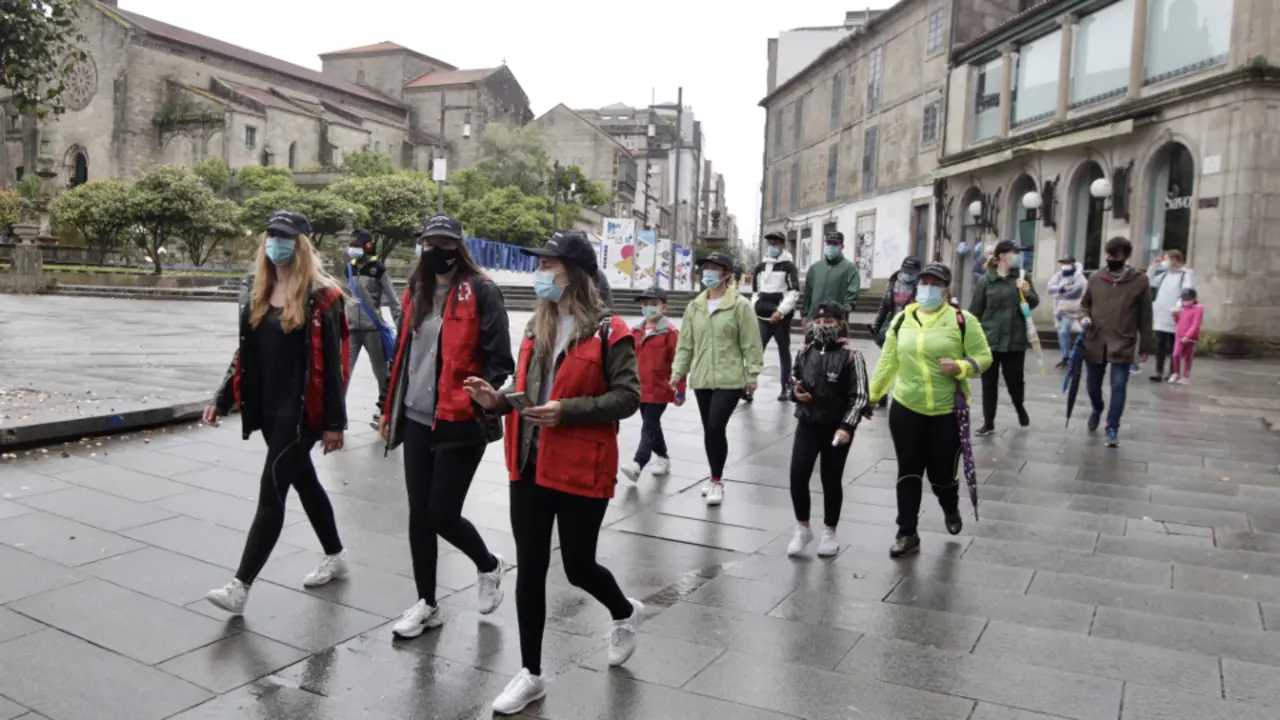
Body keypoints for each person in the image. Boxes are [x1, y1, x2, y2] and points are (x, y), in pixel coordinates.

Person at [462, 229, 643, 716]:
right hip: (528, 463)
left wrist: (569, 409)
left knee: (580, 565)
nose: (541, 273)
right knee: (532, 567)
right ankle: (530, 673)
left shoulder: (611, 330)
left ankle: (624, 611)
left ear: (575, 274)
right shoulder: (533, 327)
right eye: (540, 265)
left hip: (580, 464)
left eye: (549, 265)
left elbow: (628, 397)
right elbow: (525, 390)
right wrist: (495, 400)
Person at [203, 210, 351, 614]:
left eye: (284, 237)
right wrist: (221, 397)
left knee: (273, 492)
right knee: (303, 480)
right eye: (270, 236)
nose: (275, 243)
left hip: (300, 412)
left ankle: (240, 585)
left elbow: (334, 365)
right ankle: (335, 555)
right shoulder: (257, 288)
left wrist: (334, 424)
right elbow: (245, 352)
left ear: (300, 244)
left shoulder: (323, 297)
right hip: (265, 409)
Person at [378, 215, 513, 639]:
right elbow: (401, 354)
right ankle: (427, 603)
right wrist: (388, 409)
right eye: (429, 244)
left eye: (445, 243)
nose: (437, 251)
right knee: (419, 514)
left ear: (459, 246)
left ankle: (489, 564)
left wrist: (483, 389)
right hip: (417, 417)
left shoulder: (484, 291)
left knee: (442, 513)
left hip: (460, 419)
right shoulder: (415, 292)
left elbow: (501, 360)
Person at [869, 262, 992, 558]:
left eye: (935, 283)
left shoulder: (963, 320)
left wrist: (962, 367)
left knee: (941, 476)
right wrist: (872, 396)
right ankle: (906, 532)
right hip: (907, 407)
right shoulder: (902, 319)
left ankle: (949, 506)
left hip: (946, 412)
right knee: (908, 471)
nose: (928, 288)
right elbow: (888, 361)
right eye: (924, 282)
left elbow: (984, 357)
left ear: (946, 288)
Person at [670, 252, 764, 507]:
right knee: (709, 430)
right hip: (702, 377)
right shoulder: (695, 306)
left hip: (729, 378)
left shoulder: (740, 305)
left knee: (715, 426)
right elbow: (685, 344)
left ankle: (716, 481)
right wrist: (678, 371)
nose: (708, 272)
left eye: (714, 268)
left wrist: (752, 373)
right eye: (705, 268)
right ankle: (714, 474)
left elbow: (751, 343)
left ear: (726, 274)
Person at [786, 300, 870, 559]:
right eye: (819, 321)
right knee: (798, 474)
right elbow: (794, 379)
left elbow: (860, 396)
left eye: (829, 322)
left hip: (837, 428)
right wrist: (795, 393)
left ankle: (829, 532)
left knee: (830, 478)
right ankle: (802, 528)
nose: (823, 326)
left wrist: (847, 426)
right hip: (808, 423)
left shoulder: (852, 356)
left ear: (840, 324)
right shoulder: (805, 351)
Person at [1080, 237, 1154, 448]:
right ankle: (1097, 407)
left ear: (1125, 257)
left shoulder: (1139, 281)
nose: (1111, 258)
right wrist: (1084, 317)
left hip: (1123, 340)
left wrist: (1145, 345)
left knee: (1119, 385)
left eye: (1116, 255)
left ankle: (1112, 427)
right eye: (1109, 255)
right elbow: (1085, 304)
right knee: (1093, 385)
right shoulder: (1096, 277)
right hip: (1095, 340)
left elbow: (1145, 315)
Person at [969, 240, 1038, 435]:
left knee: (1015, 381)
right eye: (1013, 252)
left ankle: (1019, 407)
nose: (1017, 256)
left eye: (1018, 252)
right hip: (989, 339)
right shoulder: (986, 281)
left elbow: (1033, 302)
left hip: (1015, 339)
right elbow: (975, 312)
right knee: (988, 383)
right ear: (1000, 256)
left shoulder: (1023, 278)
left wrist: (1026, 291)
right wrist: (971, 338)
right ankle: (988, 421)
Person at [621, 285, 685, 482]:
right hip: (640, 388)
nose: (649, 307)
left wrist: (680, 390)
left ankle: (638, 463)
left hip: (660, 388)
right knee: (652, 425)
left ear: (664, 307)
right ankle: (663, 457)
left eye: (654, 304)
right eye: (646, 304)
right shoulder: (635, 331)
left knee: (648, 426)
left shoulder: (671, 332)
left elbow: (679, 360)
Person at [344, 229, 402, 425]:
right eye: (351, 245)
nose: (352, 249)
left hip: (373, 328)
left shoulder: (378, 269)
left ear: (367, 246)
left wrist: (401, 326)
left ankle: (384, 410)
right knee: (343, 370)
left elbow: (394, 300)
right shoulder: (349, 269)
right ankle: (336, 413)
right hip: (351, 327)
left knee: (381, 371)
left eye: (357, 246)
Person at [752, 232, 801, 401]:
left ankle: (786, 385)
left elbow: (794, 292)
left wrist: (781, 311)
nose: (772, 246)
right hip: (762, 317)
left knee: (783, 351)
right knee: (756, 352)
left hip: (780, 319)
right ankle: (749, 386)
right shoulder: (760, 267)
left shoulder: (788, 266)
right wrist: (755, 308)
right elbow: (755, 292)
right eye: (770, 242)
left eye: (776, 243)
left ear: (783, 245)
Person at [869, 256, 923, 408]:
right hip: (893, 326)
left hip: (912, 328)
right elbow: (885, 306)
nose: (908, 274)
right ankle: (881, 394)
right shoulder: (894, 282)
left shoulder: (922, 286)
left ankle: (908, 395)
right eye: (906, 271)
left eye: (912, 272)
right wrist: (877, 326)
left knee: (908, 363)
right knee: (886, 362)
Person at [1148, 249, 1194, 382]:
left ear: (1174, 259)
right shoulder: (1164, 275)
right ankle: (1159, 371)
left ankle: (1173, 371)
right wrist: (1153, 267)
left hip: (1174, 315)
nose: (1164, 262)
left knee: (1174, 344)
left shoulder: (1185, 275)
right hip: (1161, 313)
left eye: (1166, 259)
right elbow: (1150, 281)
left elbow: (1186, 292)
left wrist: (1178, 307)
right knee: (1160, 342)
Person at [801, 230, 860, 326]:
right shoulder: (815, 268)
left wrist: (844, 309)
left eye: (835, 244)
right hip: (814, 319)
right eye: (829, 243)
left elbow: (852, 294)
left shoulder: (849, 268)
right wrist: (804, 315)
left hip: (836, 321)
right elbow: (808, 293)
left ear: (842, 246)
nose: (831, 246)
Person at [1047, 254, 1085, 368]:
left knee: (1065, 331)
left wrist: (1060, 293)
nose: (1065, 266)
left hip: (1072, 310)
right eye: (1063, 263)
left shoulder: (1078, 276)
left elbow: (1077, 290)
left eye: (1067, 263)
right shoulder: (1058, 276)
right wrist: (1062, 289)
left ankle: (1070, 356)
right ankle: (1066, 357)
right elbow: (1050, 288)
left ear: (1073, 264)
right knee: (1062, 333)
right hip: (1059, 310)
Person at [1168, 288, 1202, 385]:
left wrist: (1188, 335)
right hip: (1179, 335)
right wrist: (1174, 316)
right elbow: (1179, 321)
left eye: (1187, 299)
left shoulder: (1198, 310)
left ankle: (1186, 375)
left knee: (1188, 356)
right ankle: (1175, 372)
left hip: (1190, 337)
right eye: (1183, 299)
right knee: (1176, 354)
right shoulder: (1182, 308)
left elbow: (1195, 324)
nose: (1185, 302)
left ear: (1193, 299)